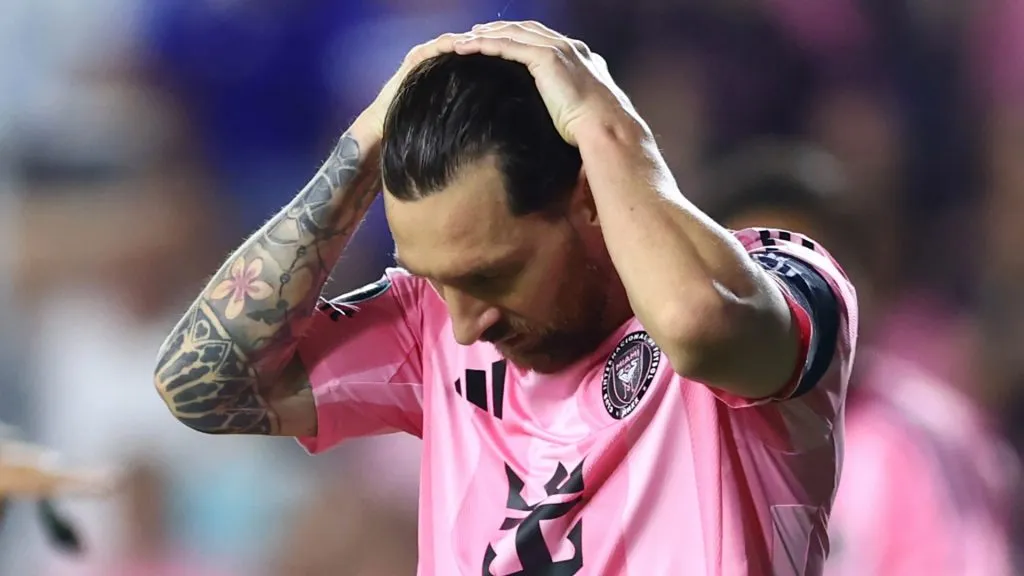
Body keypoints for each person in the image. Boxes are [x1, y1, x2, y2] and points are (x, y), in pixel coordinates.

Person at [154, 21, 857, 575]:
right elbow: (203, 385)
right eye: (437, 279)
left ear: (587, 197)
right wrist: (367, 144)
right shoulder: (429, 324)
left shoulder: (779, 277)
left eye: (491, 275)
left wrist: (608, 127)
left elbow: (694, 327)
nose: (463, 327)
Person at [702, 140, 1016, 576]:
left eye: (802, 284)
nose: (783, 312)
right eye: (754, 287)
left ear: (858, 287)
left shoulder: (921, 443)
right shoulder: (674, 431)